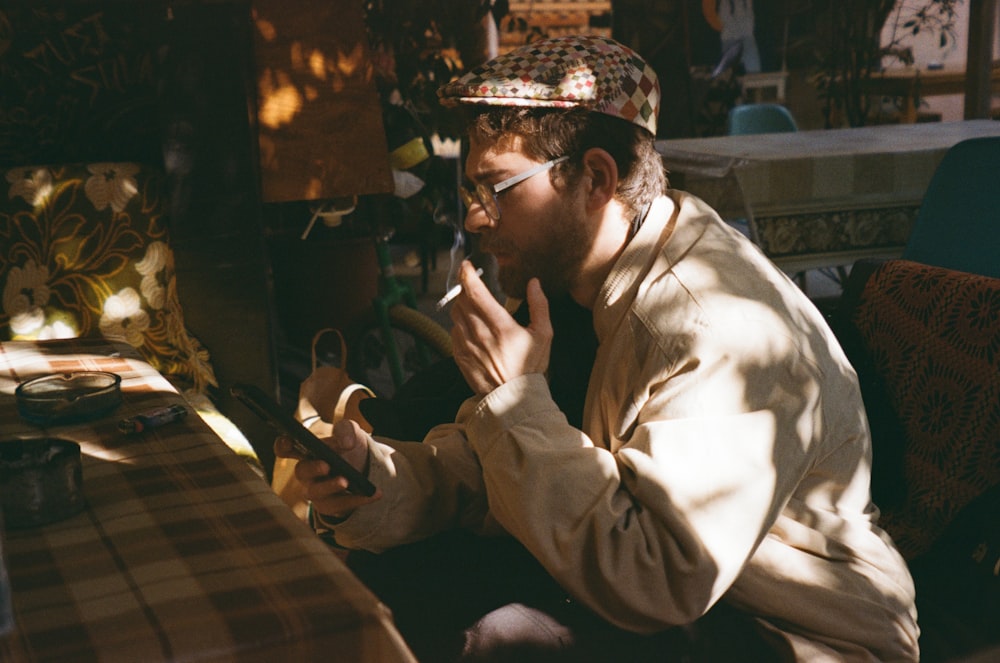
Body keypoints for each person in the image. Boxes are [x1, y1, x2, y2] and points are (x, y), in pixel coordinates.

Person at [276, 35, 919, 662]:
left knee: (500, 639)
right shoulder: (587, 285)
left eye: (495, 189)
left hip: (791, 634)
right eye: (471, 192)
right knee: (408, 582)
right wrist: (376, 484)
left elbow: (661, 577)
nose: (474, 218)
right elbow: (491, 471)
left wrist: (513, 400)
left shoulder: (712, 329)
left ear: (596, 178)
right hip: (678, 602)